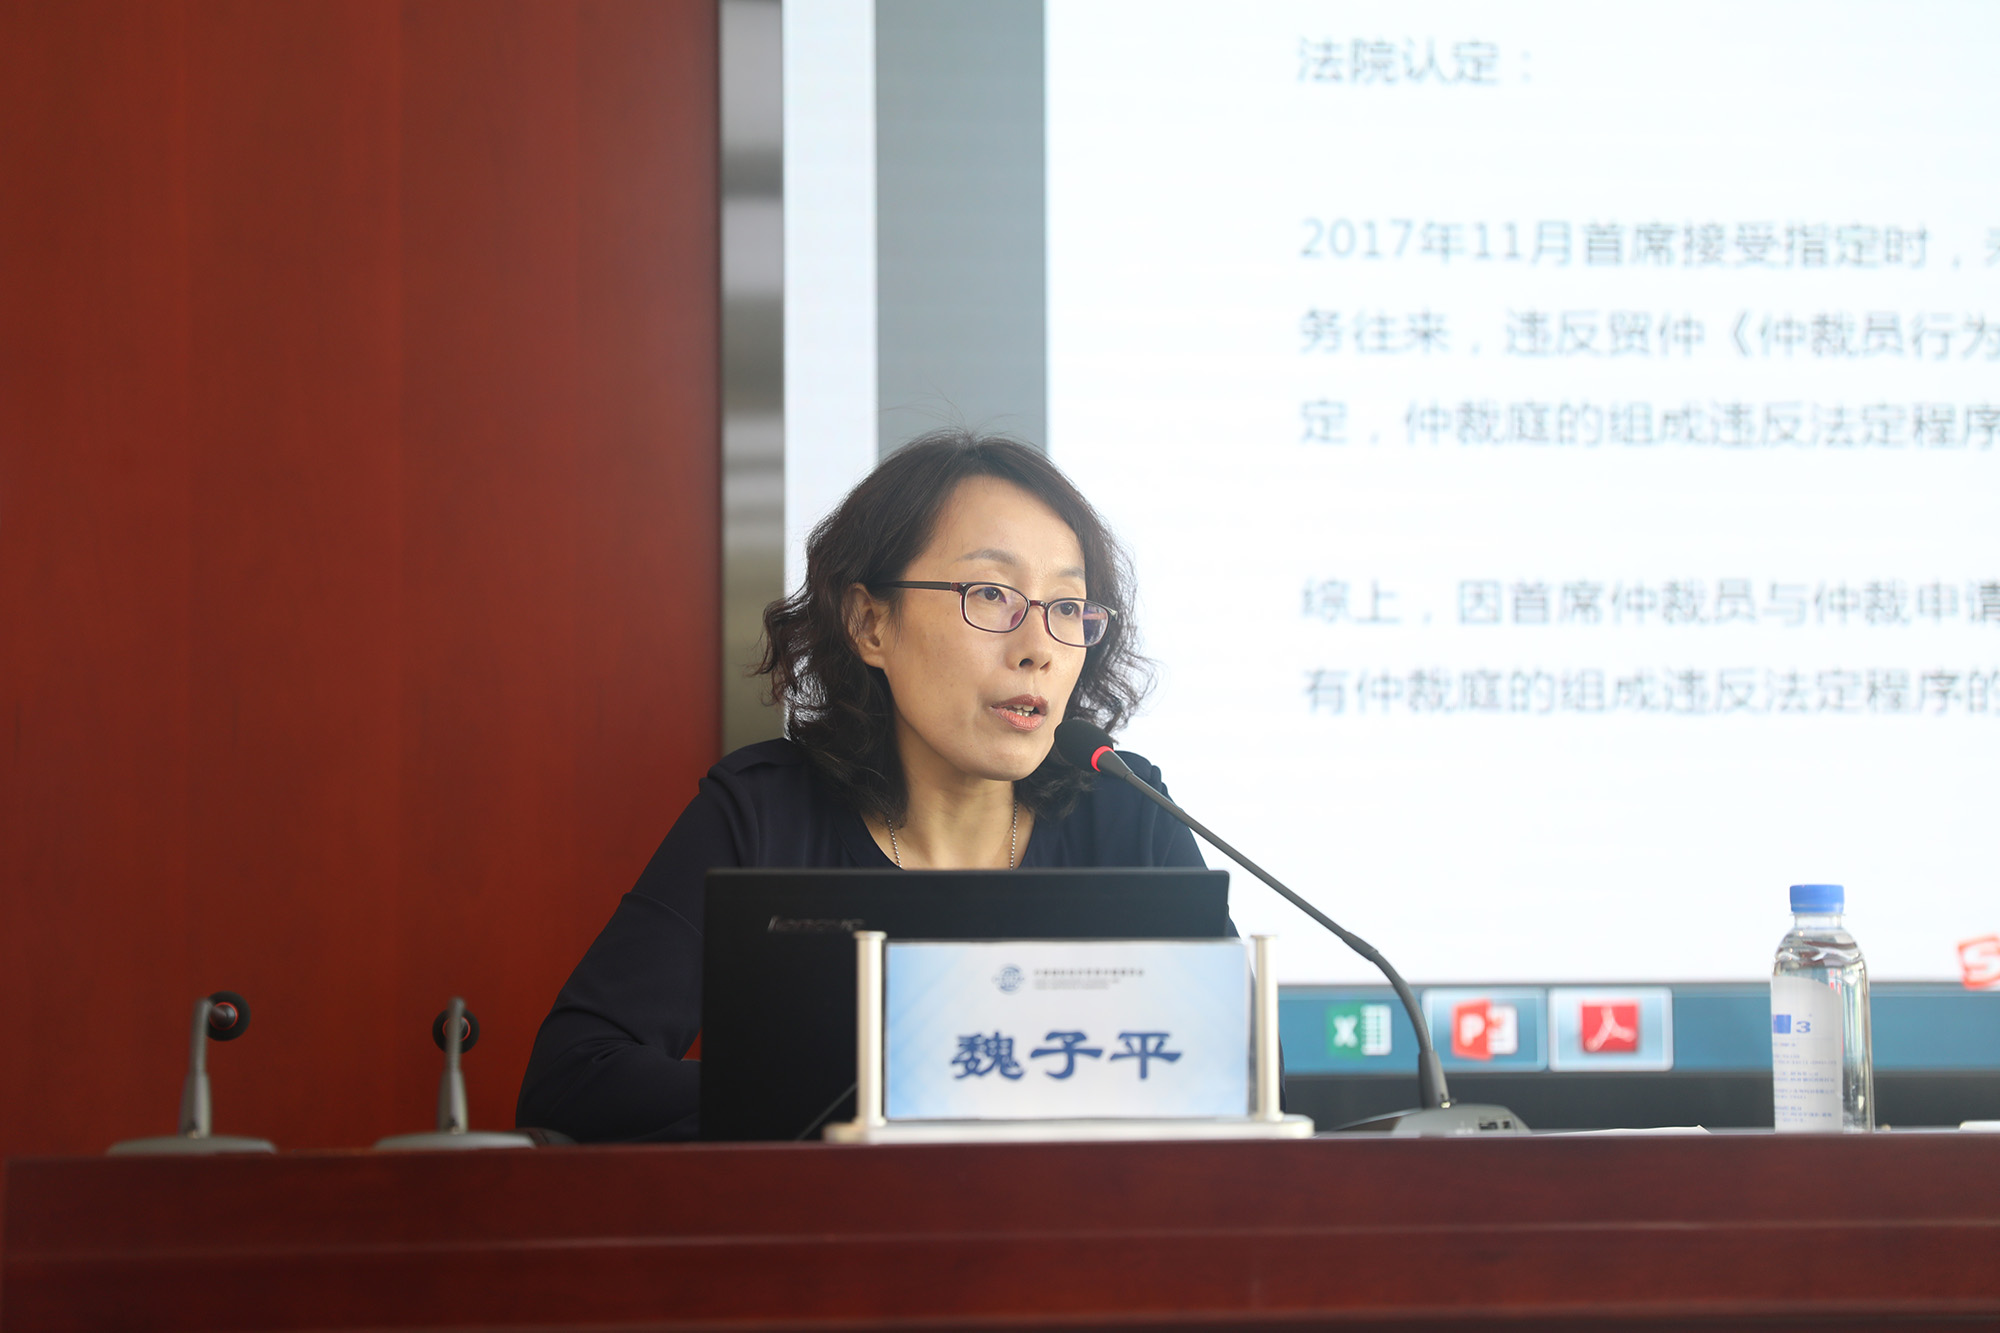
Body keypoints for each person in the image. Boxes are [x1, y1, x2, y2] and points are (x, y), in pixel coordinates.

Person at [516, 430, 1204, 1141]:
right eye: (991, 594)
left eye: (1066, 606)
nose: (1037, 649)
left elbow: (1236, 1069)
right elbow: (572, 1080)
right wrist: (854, 1097)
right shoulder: (763, 817)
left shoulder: (1129, 814)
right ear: (870, 623)